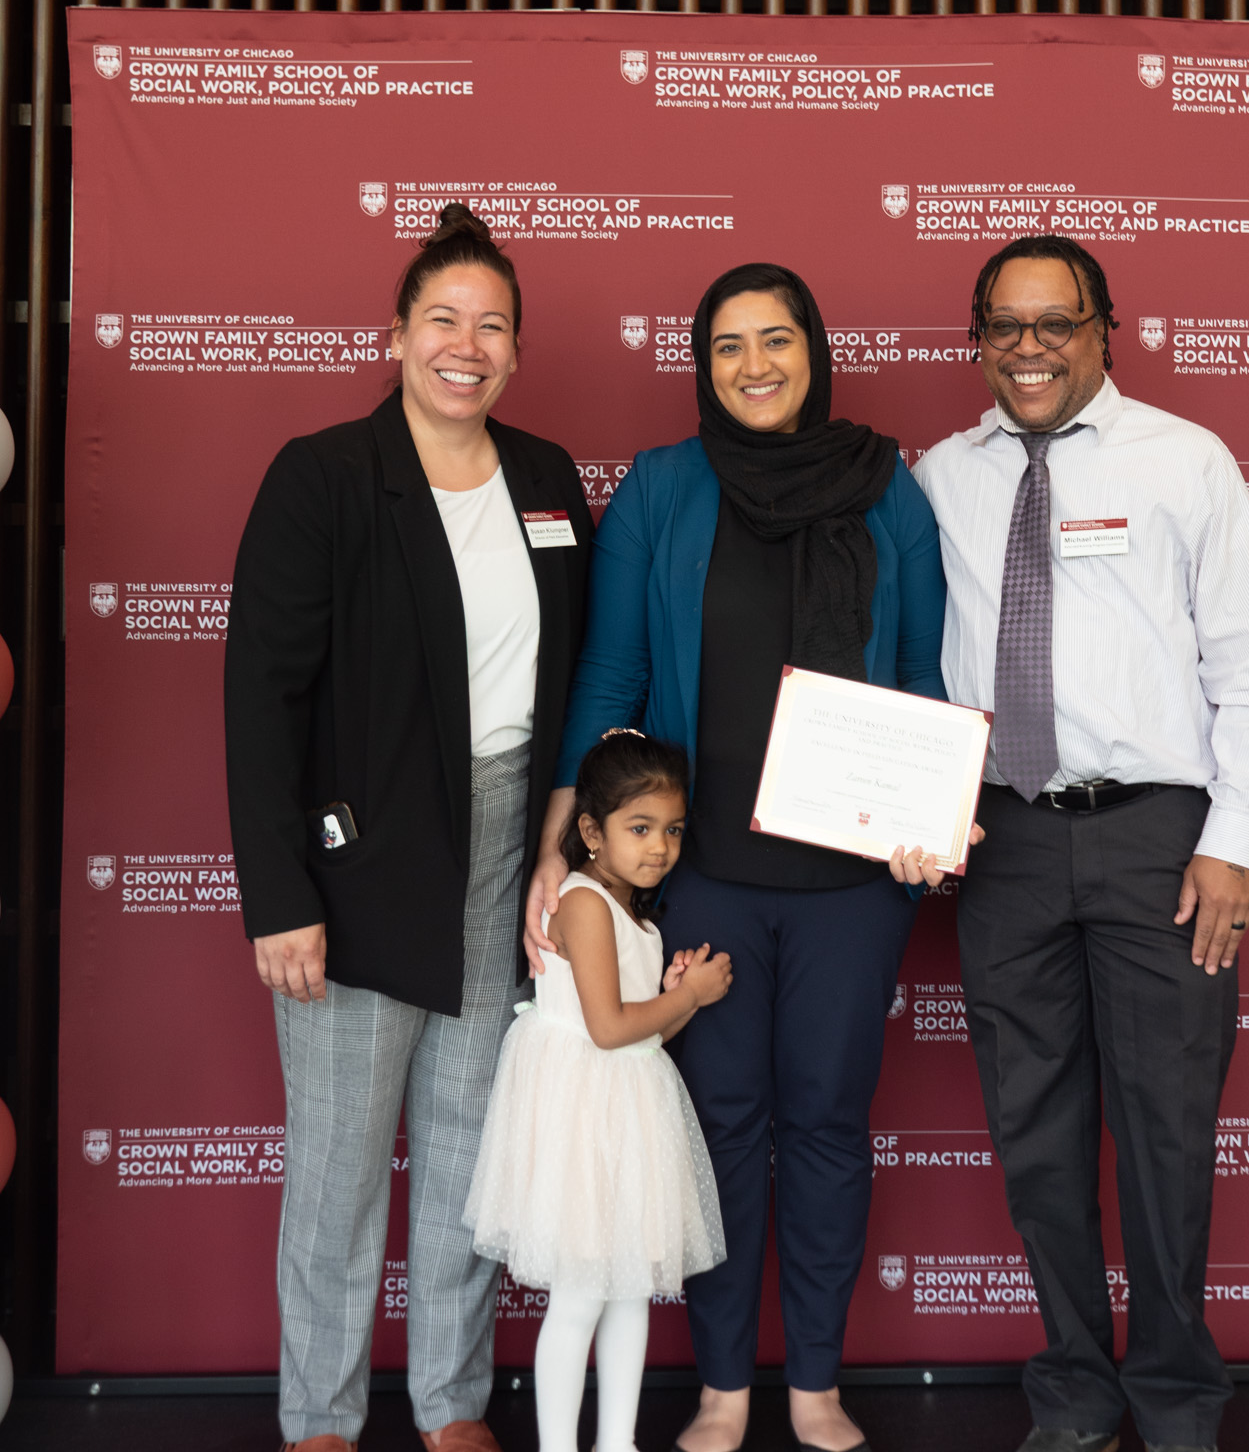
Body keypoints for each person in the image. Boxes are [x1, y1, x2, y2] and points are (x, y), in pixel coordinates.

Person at [524, 261, 949, 1452]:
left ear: (815, 349)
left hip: (853, 889)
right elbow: (611, 674)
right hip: (696, 874)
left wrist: (926, 810)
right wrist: (564, 845)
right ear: (701, 364)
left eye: (776, 339)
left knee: (824, 1121)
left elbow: (919, 679)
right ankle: (722, 1386)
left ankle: (812, 1380)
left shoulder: (888, 488)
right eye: (727, 346)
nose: (754, 364)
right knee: (715, 1123)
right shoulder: (663, 487)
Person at [911, 235, 1249, 1452]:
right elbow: (911, 655)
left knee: (1170, 1131)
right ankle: (1075, 1392)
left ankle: (1180, 1400)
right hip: (1008, 842)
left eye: (1055, 323)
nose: (1028, 348)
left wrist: (1232, 838)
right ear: (978, 337)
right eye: (1004, 325)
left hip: (1158, 842)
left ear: (1102, 331)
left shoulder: (1184, 461)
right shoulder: (939, 474)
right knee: (1035, 1135)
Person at [225, 205, 593, 1452]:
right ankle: (319, 1417)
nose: (466, 343)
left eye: (493, 324)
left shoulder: (546, 479)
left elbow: (570, 675)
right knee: (337, 1163)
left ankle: (451, 1404)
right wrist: (280, 893)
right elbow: (262, 697)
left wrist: (552, 840)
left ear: (517, 352)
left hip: (503, 843)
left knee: (462, 1142)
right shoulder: (324, 474)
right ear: (395, 334)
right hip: (359, 856)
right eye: (443, 317)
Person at [466, 729, 731, 1452]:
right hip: (583, 1120)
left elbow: (639, 1031)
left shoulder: (634, 912)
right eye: (639, 828)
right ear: (590, 830)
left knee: (628, 1294)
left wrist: (671, 992)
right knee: (582, 1296)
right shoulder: (583, 902)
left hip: (628, 1115)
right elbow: (610, 1030)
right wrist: (693, 997)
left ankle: (617, 1444)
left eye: (673, 830)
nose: (660, 848)